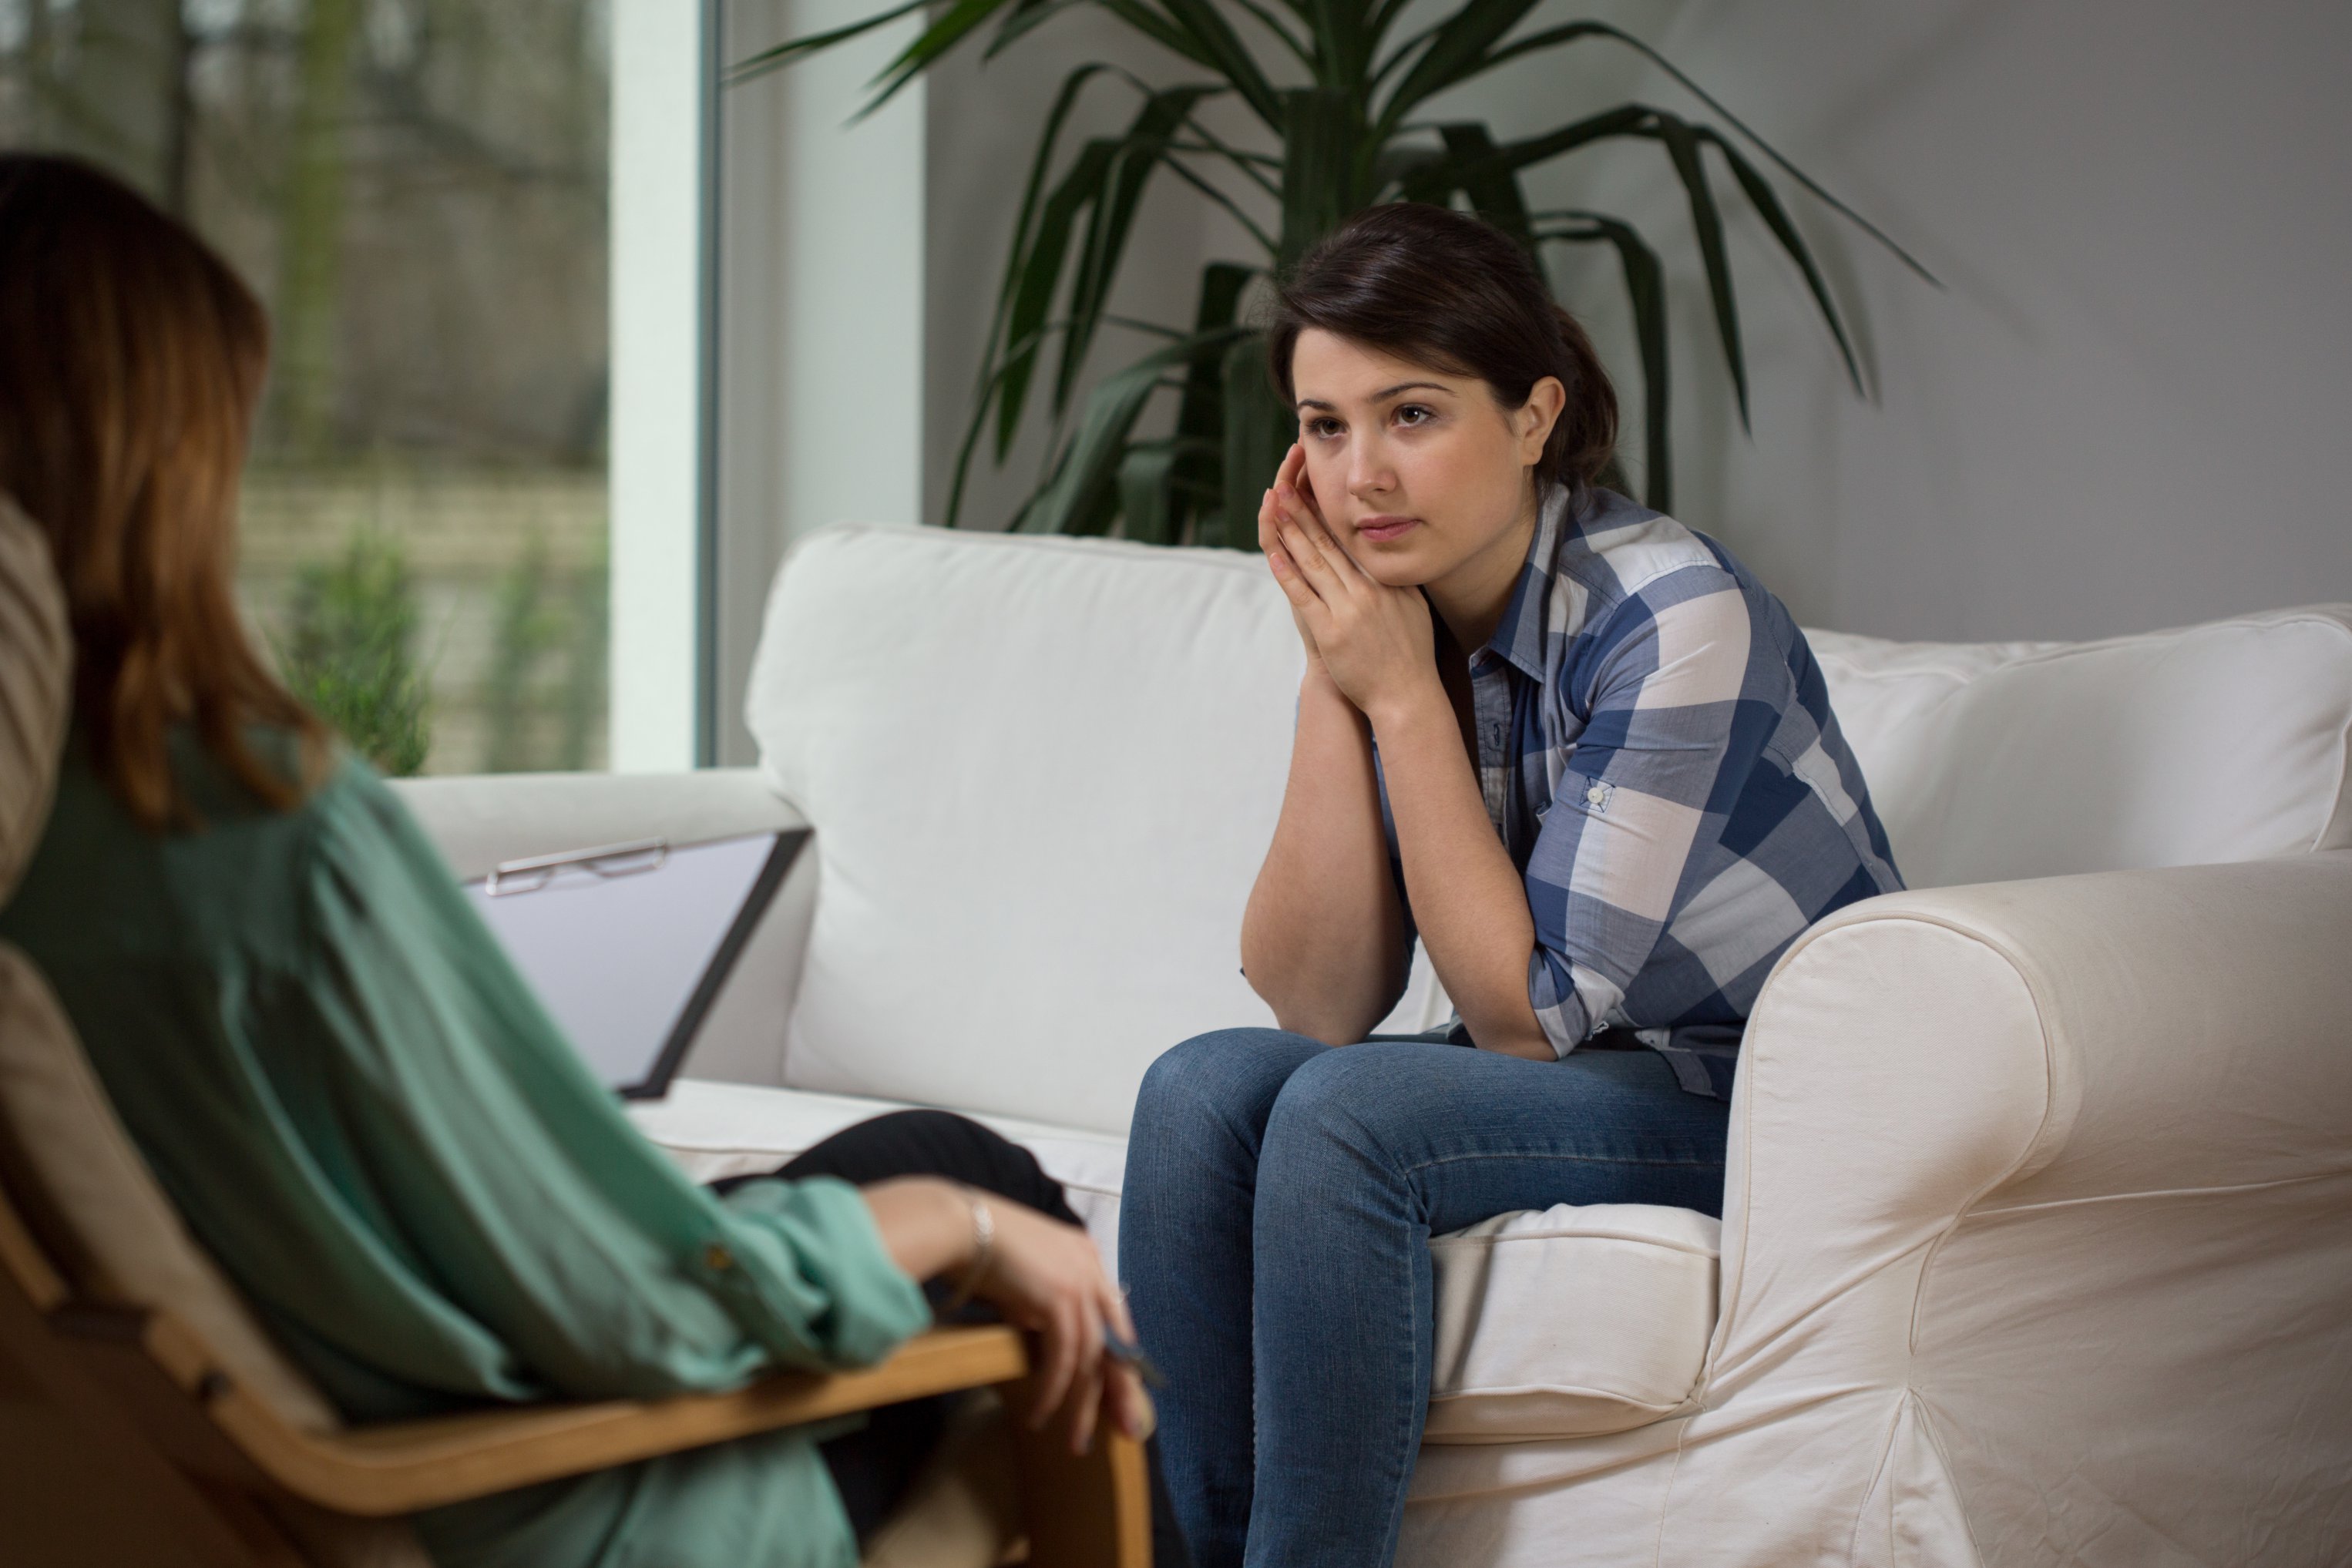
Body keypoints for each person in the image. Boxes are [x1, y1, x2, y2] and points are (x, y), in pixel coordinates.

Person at [0, 153, 1184, 1568]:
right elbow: (636, 1315)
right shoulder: (257, 844)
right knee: (1003, 1233)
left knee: (938, 1155)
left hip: (287, 1423)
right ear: (162, 460)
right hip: (550, 1491)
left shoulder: (45, 847)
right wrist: (968, 1234)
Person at [1118, 203, 1906, 1567]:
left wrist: (1404, 704)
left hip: (1759, 1099)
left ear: (1535, 417)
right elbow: (1315, 1001)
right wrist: (1337, 671)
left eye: (1411, 414)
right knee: (1198, 1090)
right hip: (1589, 1072)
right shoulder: (1400, 609)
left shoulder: (1671, 614)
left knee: (1352, 1118)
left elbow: (1527, 1020)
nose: (1363, 473)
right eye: (1324, 426)